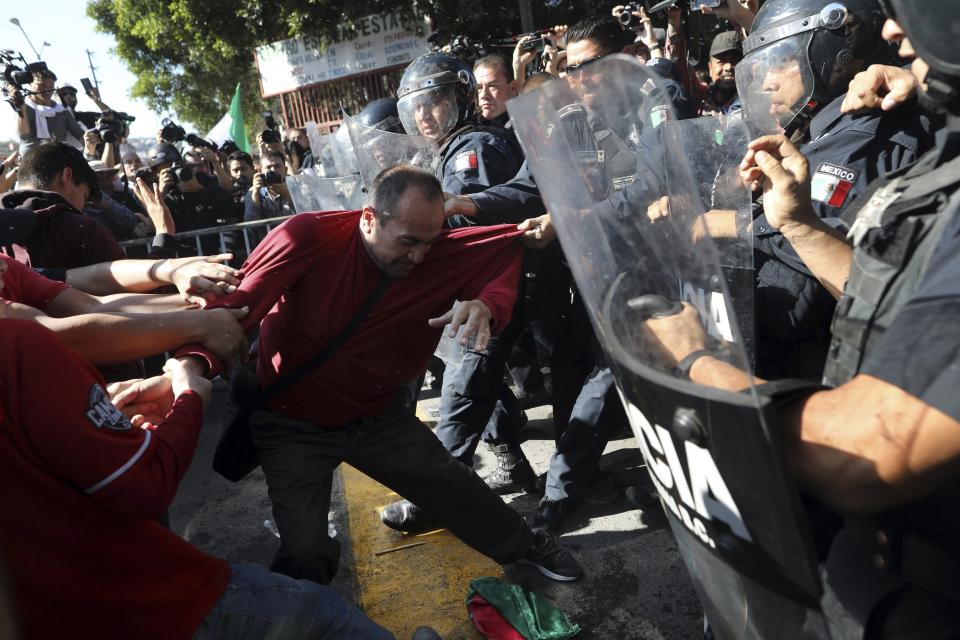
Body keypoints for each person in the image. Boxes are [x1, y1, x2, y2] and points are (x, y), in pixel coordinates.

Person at [649, 4, 960, 633]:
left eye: (914, 9)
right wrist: (795, 221)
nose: (893, 32)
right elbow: (873, 289)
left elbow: (864, 453)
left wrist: (695, 362)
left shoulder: (881, 134)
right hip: (868, 566)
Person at [175, 166, 584, 585]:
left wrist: (485, 305)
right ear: (368, 217)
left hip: (377, 416)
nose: (419, 257)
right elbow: (234, 311)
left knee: (453, 485)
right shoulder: (308, 236)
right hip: (291, 420)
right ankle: (300, 606)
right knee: (304, 551)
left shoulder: (440, 248)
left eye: (430, 241)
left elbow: (499, 259)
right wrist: (191, 365)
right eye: (407, 242)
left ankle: (525, 545)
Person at [0, 317, 397, 638]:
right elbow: (144, 483)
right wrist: (189, 395)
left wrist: (114, 429)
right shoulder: (17, 344)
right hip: (139, 603)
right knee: (324, 617)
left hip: (62, 611)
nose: (6, 264)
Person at [733, 0, 935, 379]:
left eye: (783, 61)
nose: (767, 81)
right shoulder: (821, 126)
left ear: (835, 53)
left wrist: (734, 224)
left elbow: (804, 289)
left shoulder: (866, 127)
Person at [0, 141, 125, 269]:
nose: (82, 207)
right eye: (84, 196)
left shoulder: (3, 225)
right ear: (67, 175)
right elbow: (124, 280)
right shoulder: (84, 230)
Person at [14, 67, 85, 156]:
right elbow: (23, 135)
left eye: (51, 86)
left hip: (59, 156)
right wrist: (21, 107)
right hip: (33, 157)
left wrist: (91, 142)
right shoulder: (24, 107)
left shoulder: (62, 110)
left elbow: (80, 135)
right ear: (30, 84)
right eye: (42, 86)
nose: (47, 90)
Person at [244, 149, 296, 222]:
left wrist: (286, 195)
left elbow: (304, 216)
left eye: (277, 166)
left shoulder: (297, 188)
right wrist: (255, 195)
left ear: (285, 170)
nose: (273, 170)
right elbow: (250, 225)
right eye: (268, 167)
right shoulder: (253, 192)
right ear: (260, 171)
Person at [698, 31, 742, 116]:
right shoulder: (702, 95)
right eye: (722, 61)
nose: (728, 67)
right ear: (710, 68)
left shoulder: (753, 100)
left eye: (735, 61)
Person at [474, 54, 519, 127]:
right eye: (478, 88)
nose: (483, 95)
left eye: (492, 86)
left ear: (513, 88)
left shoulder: (525, 128)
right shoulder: (464, 127)